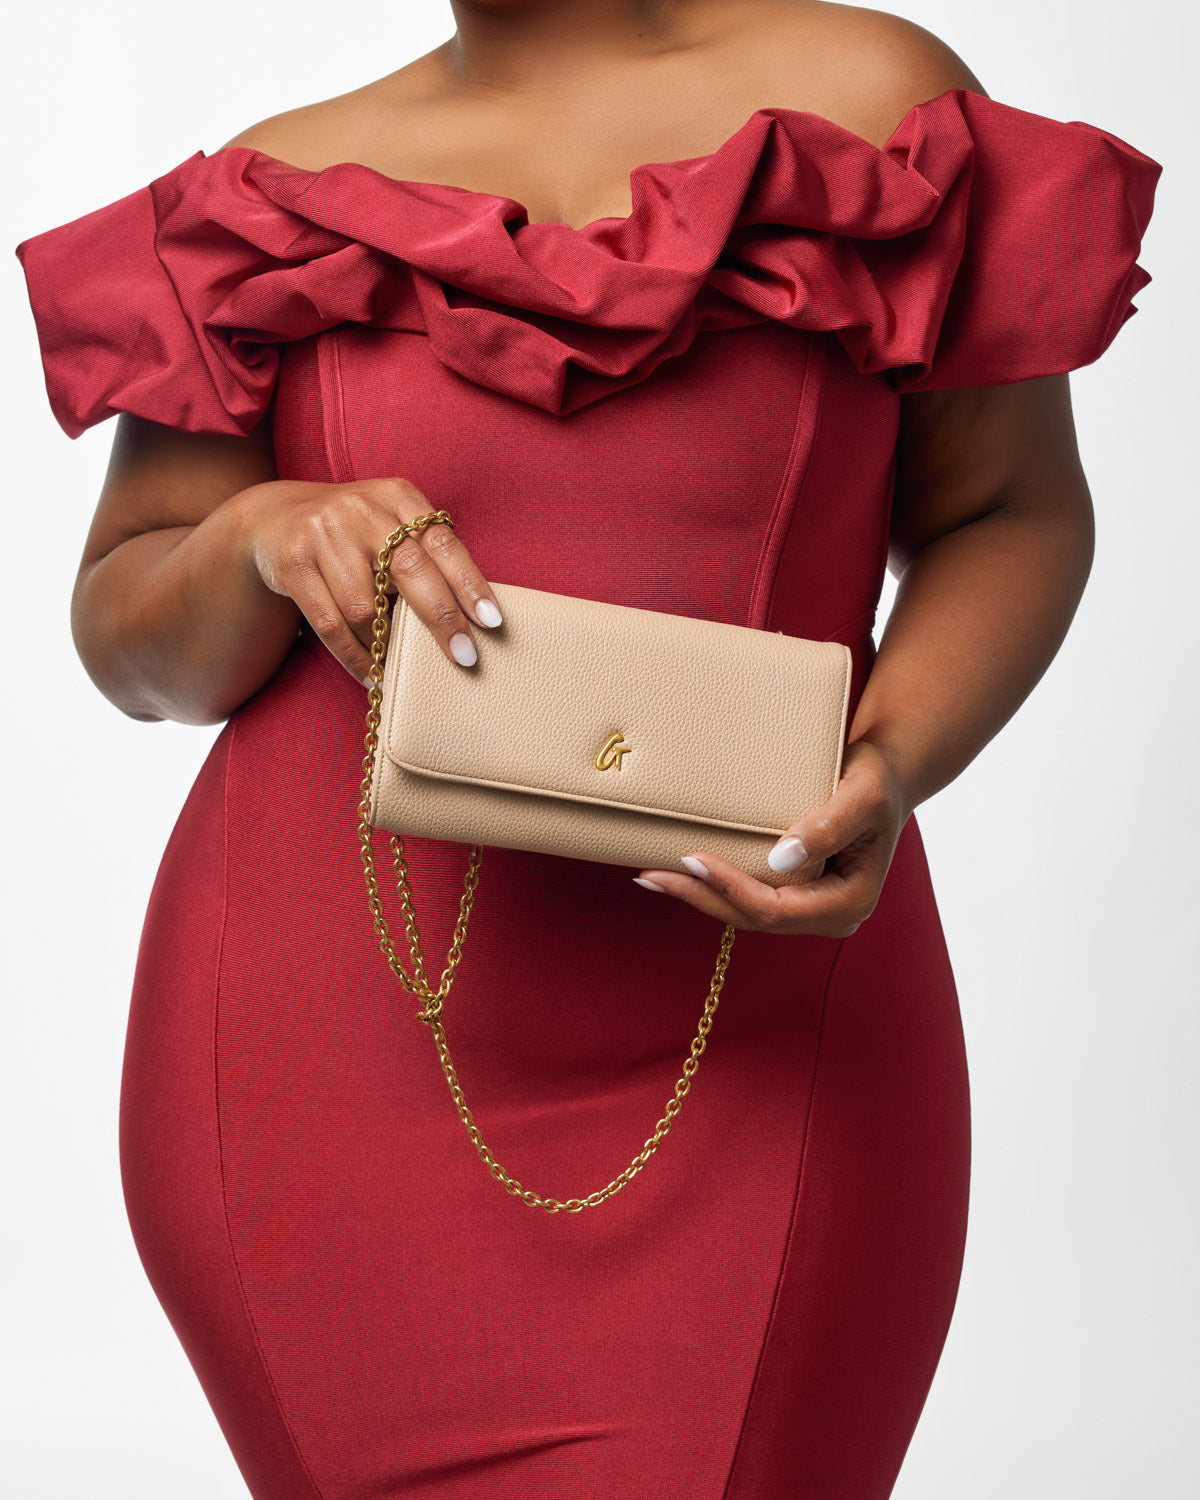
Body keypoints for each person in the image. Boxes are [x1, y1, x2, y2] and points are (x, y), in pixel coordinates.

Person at [13, 1, 1161, 1495]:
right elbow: (128, 641)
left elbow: (1008, 512)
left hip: (763, 1032)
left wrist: (893, 765)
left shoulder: (875, 103)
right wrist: (258, 531)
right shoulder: (268, 193)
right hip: (320, 1055)